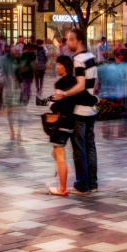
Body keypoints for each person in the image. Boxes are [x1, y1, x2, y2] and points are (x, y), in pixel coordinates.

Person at [53, 28, 99, 194]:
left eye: (70, 40)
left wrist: (64, 93)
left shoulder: (79, 59)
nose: (67, 43)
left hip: (80, 109)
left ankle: (82, 185)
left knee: (79, 149)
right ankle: (92, 183)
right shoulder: (91, 57)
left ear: (79, 41)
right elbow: (93, 84)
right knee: (90, 146)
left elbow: (80, 85)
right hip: (92, 108)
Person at [43, 54, 76, 196]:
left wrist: (52, 105)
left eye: (59, 65)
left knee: (60, 155)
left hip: (60, 121)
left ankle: (62, 188)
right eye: (56, 65)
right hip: (70, 121)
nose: (56, 67)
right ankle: (62, 169)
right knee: (55, 152)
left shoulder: (61, 84)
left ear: (66, 67)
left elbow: (59, 104)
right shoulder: (75, 81)